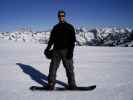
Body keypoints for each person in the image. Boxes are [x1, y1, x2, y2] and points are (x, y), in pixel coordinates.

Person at [44, 10, 77, 90]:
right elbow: (51, 40)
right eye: (59, 16)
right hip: (56, 51)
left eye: (62, 15)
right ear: (58, 17)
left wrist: (71, 52)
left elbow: (72, 40)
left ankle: (72, 84)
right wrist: (47, 48)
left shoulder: (69, 26)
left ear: (64, 16)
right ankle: (51, 84)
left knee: (69, 68)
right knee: (52, 68)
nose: (61, 17)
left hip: (66, 51)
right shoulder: (55, 27)